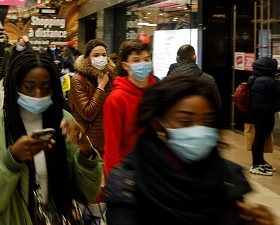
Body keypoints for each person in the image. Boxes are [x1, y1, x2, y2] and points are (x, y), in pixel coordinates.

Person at [105, 75, 275, 225]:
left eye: (207, 122)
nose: (199, 130)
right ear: (157, 122)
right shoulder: (128, 186)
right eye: (185, 121)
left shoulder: (227, 178)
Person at [0, 52, 103, 224]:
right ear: (16, 85)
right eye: (30, 87)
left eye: (46, 87)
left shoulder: (64, 122)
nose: (38, 94)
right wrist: (10, 160)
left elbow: (87, 192)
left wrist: (87, 153)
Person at [103, 39, 157, 175]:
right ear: (126, 66)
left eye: (146, 59)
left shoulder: (157, 92)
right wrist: (113, 180)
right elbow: (112, 146)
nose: (143, 64)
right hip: (129, 171)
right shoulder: (116, 100)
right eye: (136, 60)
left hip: (154, 169)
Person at [70, 39, 116, 155]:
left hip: (109, 140)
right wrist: (100, 87)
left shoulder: (110, 77)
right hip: (90, 143)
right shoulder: (78, 80)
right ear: (87, 57)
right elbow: (87, 113)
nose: (101, 58)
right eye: (96, 55)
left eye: (104, 55)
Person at [247, 57, 280, 176]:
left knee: (259, 138)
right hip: (265, 112)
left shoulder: (253, 78)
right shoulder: (268, 81)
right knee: (260, 138)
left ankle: (260, 162)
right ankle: (256, 165)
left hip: (257, 111)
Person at [166, 44, 221, 109]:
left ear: (178, 59)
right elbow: (217, 107)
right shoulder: (209, 80)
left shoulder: (169, 81)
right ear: (195, 57)